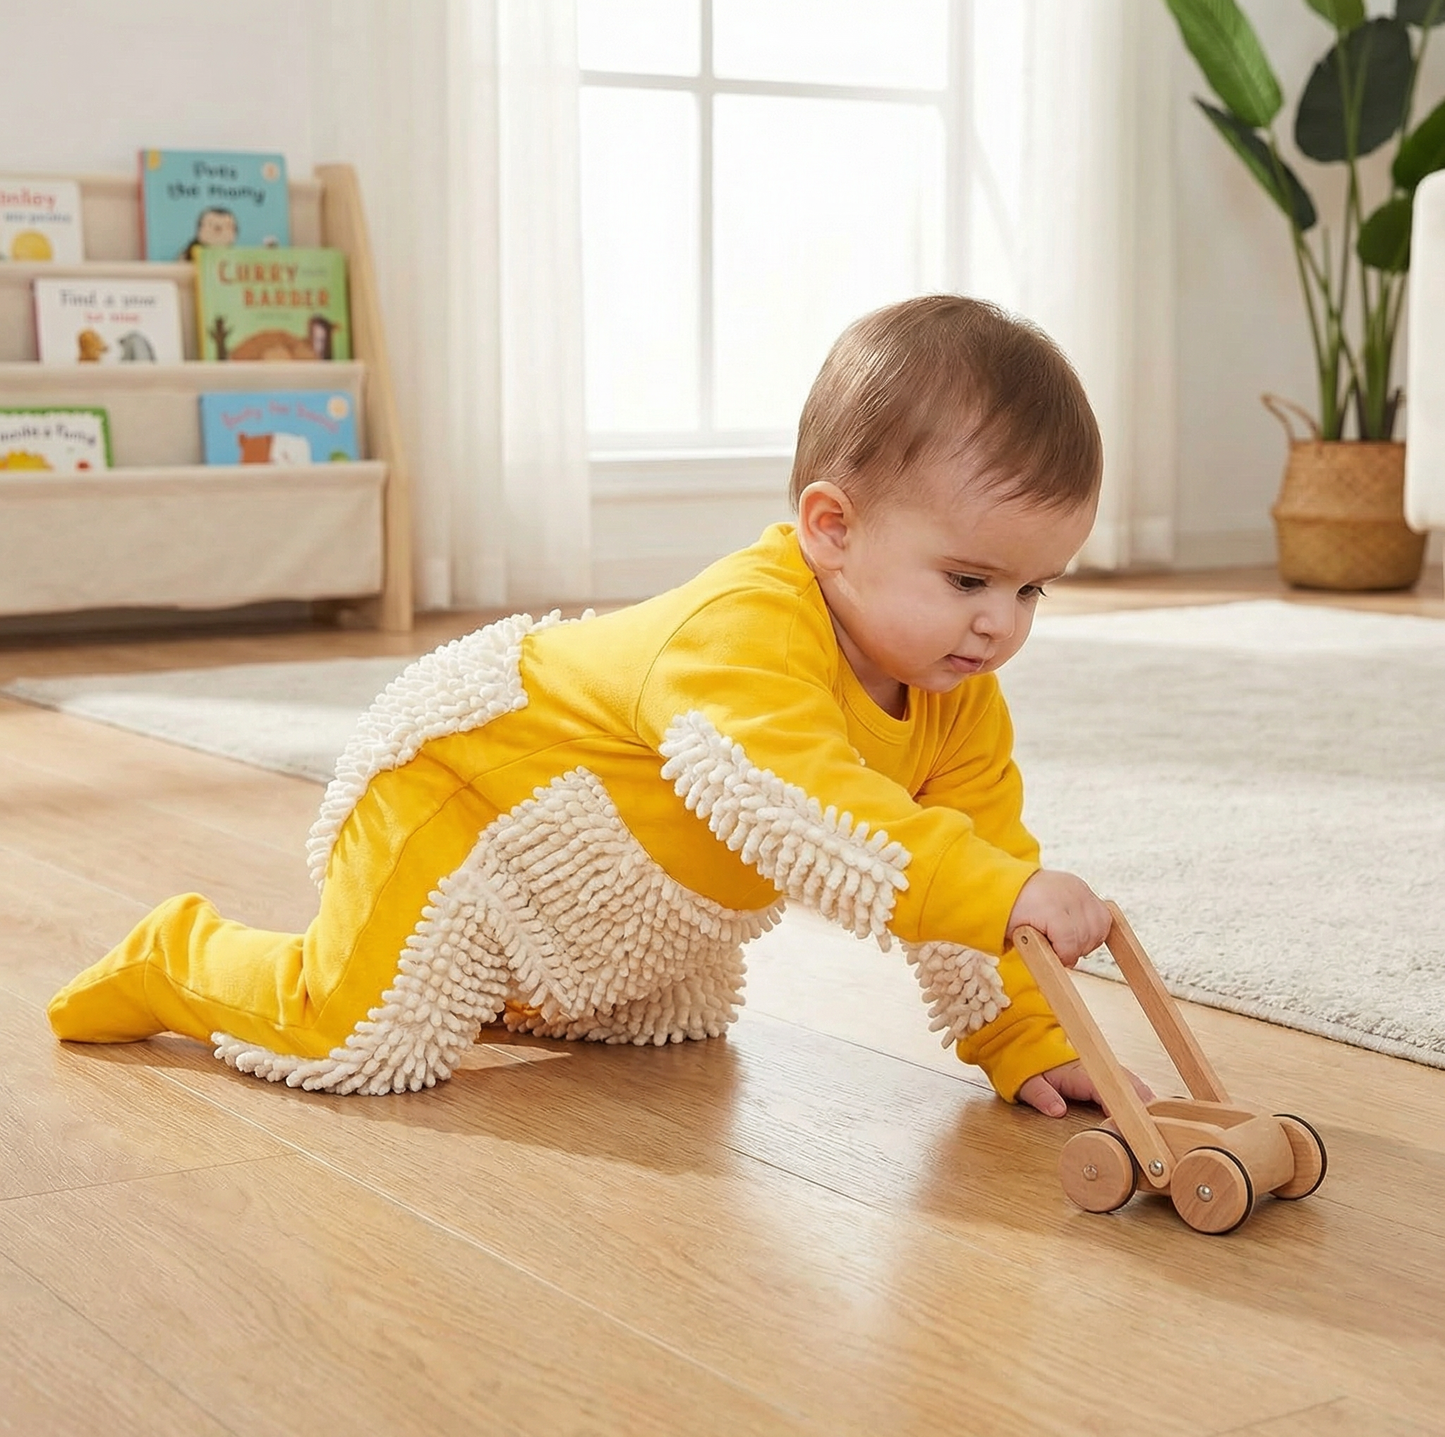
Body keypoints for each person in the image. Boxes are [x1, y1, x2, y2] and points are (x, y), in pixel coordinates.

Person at [47, 294, 1148, 1119]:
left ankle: (499, 981)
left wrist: (1024, 1031)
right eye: (967, 580)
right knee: (360, 1038)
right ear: (832, 526)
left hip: (605, 882)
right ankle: (176, 952)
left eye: (1030, 587)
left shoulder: (957, 694)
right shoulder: (743, 633)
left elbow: (972, 850)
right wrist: (1002, 891)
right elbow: (813, 818)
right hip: (464, 793)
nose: (999, 623)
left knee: (671, 1020)